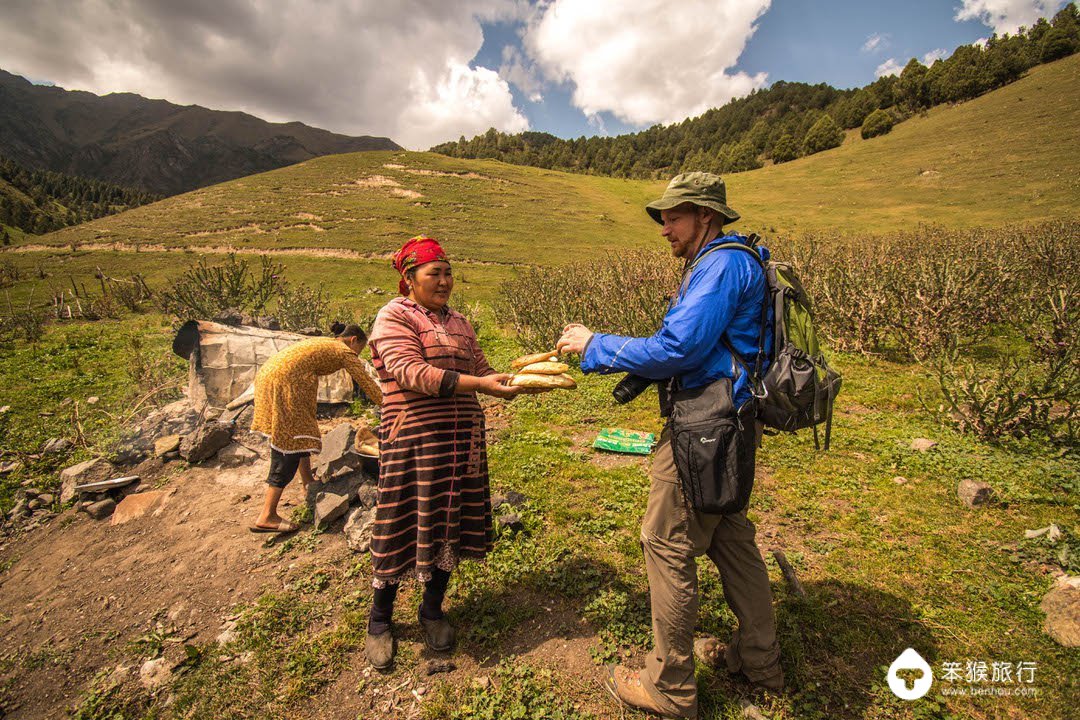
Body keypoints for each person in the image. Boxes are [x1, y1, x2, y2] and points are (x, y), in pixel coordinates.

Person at [557, 173, 783, 719]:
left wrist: (595, 344)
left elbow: (680, 346)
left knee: (666, 541)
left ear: (704, 215)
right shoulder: (732, 261)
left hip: (704, 426)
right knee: (729, 534)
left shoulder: (722, 264)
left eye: (672, 217)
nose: (664, 228)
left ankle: (671, 688)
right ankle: (761, 661)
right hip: (730, 419)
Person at [364, 235, 522, 669]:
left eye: (449, 272)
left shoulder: (460, 322)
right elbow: (411, 373)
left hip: (460, 440)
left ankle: (432, 610)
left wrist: (511, 380)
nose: (445, 280)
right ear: (409, 278)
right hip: (414, 441)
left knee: (449, 520)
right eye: (435, 272)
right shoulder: (393, 316)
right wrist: (479, 385)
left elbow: (481, 370)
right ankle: (379, 620)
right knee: (400, 522)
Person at [249, 325, 382, 533]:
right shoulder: (343, 350)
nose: (357, 355)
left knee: (301, 435)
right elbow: (364, 380)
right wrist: (387, 404)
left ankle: (307, 481)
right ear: (353, 340)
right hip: (287, 383)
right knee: (287, 445)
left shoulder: (324, 344)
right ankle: (267, 515)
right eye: (359, 349)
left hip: (271, 376)